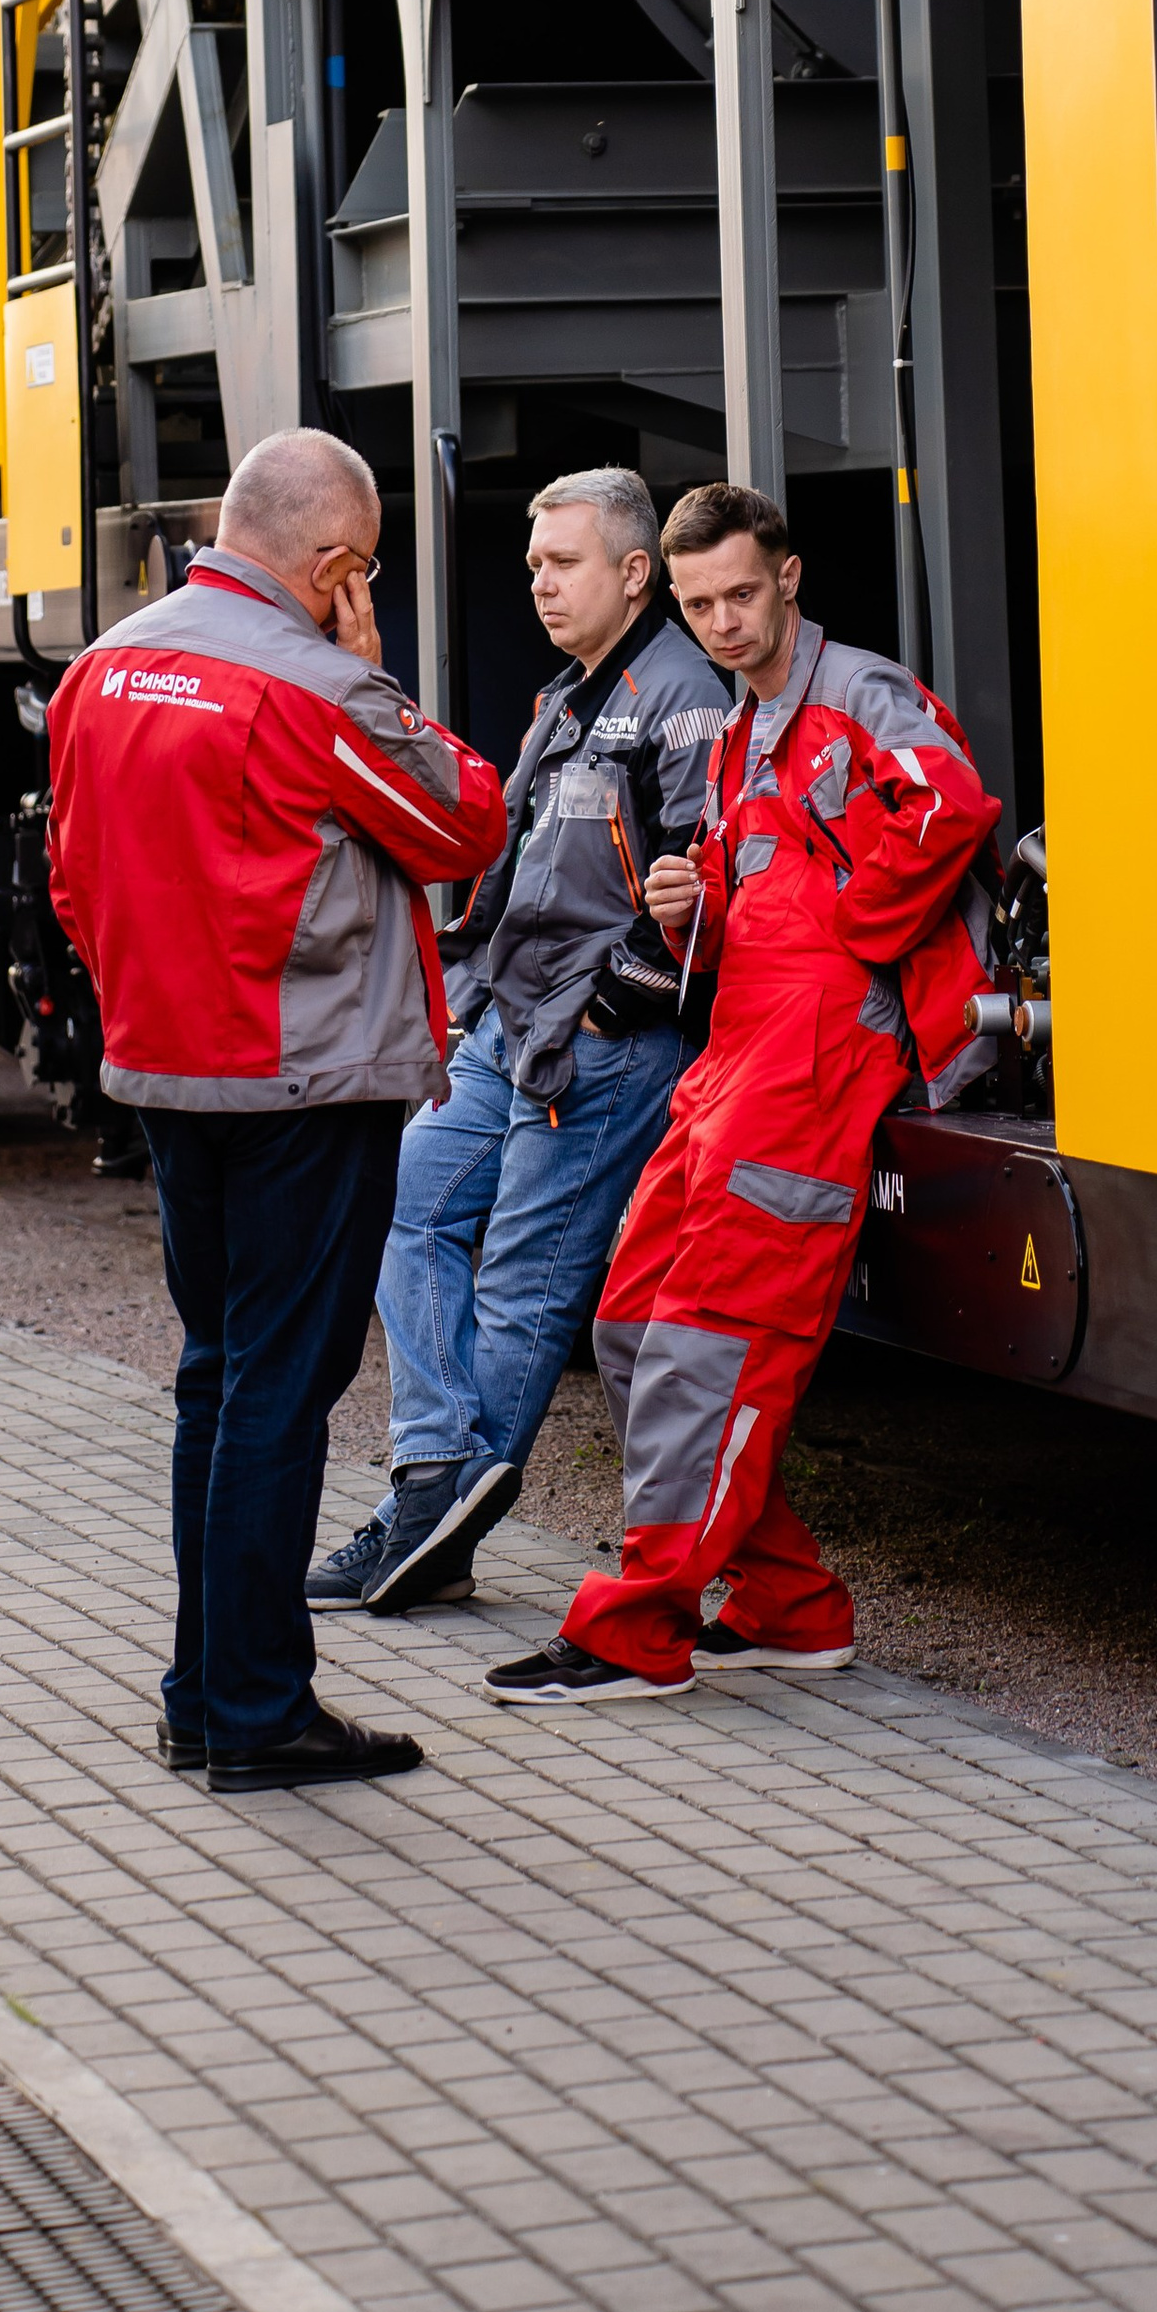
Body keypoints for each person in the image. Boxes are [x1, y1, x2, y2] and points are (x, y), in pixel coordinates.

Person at [485, 481, 1000, 1707]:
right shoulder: (733, 729)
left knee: (707, 1340)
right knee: (628, 1325)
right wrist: (691, 901)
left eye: (740, 594)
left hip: (816, 1056)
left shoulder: (860, 694)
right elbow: (743, 884)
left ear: (788, 578)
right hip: (736, 1048)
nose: (721, 622)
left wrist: (841, 928)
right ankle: (786, 1605)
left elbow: (951, 808)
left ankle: (634, 1630)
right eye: (700, 602)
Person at [48, 426, 505, 1791]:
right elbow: (464, 823)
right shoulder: (313, 688)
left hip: (167, 1073)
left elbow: (72, 880)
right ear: (340, 565)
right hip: (304, 1081)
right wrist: (372, 676)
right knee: (281, 1395)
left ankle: (200, 1694)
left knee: (215, 1373)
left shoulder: (100, 668)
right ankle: (253, 1709)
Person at [309, 466, 729, 1617]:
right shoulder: (568, 697)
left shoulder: (685, 695)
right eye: (534, 565)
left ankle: (422, 1531)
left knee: (520, 1283)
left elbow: (707, 879)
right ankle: (434, 1471)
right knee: (410, 1209)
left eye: (564, 564)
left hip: (597, 1043)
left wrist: (614, 1005)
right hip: (508, 1022)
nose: (540, 585)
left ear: (635, 572)